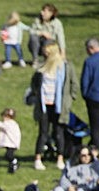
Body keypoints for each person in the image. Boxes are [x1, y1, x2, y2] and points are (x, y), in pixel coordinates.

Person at [29, 42, 78, 171]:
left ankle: (60, 158)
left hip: (59, 106)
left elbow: (74, 85)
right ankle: (38, 159)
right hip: (44, 105)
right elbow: (34, 84)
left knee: (59, 133)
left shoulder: (65, 67)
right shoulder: (41, 68)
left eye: (47, 53)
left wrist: (69, 99)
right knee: (43, 133)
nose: (44, 55)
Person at [0, 108, 21, 173]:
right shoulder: (13, 124)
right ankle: (11, 167)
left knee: (8, 155)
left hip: (12, 143)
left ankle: (15, 163)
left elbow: (0, 125)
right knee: (8, 155)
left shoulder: (9, 124)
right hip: (11, 142)